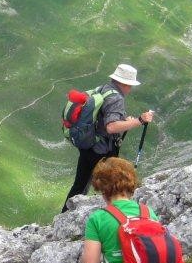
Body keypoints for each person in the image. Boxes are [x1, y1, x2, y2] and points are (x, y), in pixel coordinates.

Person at [60, 63, 153, 213]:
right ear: (125, 83)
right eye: (130, 85)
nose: (130, 89)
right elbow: (111, 127)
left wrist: (126, 122)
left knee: (80, 184)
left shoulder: (103, 89)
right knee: (111, 184)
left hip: (89, 145)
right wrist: (139, 120)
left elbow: (105, 119)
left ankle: (65, 215)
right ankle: (113, 214)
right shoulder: (116, 98)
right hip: (102, 150)